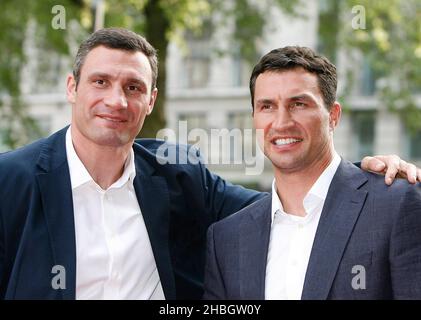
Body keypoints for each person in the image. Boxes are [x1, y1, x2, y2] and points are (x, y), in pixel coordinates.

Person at [0, 29, 418, 300]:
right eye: (100, 82)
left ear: (151, 100)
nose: (117, 100)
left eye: (133, 87)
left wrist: (369, 174)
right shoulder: (10, 181)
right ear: (72, 87)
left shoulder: (179, 176)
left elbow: (290, 207)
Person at [203, 46, 421, 300]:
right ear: (254, 118)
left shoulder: (396, 204)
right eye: (267, 107)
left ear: (333, 116)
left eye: (298, 104)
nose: (282, 122)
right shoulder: (227, 239)